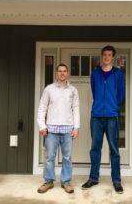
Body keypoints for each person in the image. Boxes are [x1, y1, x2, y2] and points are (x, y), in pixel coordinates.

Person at [82, 45, 125, 194]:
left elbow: (121, 94)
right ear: (102, 56)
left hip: (112, 116)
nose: (106, 57)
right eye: (104, 54)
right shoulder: (95, 74)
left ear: (113, 57)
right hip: (97, 116)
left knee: (114, 150)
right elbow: (95, 92)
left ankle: (117, 180)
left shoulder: (118, 74)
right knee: (95, 149)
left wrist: (112, 105)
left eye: (109, 55)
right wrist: (101, 104)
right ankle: (93, 178)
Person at [37, 63, 80, 194]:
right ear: (56, 73)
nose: (62, 73)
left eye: (64, 71)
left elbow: (76, 109)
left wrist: (76, 127)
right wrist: (42, 125)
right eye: (60, 71)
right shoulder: (49, 89)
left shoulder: (73, 90)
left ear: (67, 73)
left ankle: (66, 182)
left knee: (67, 157)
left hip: (68, 129)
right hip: (51, 129)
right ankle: (48, 181)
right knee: (50, 157)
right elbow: (42, 108)